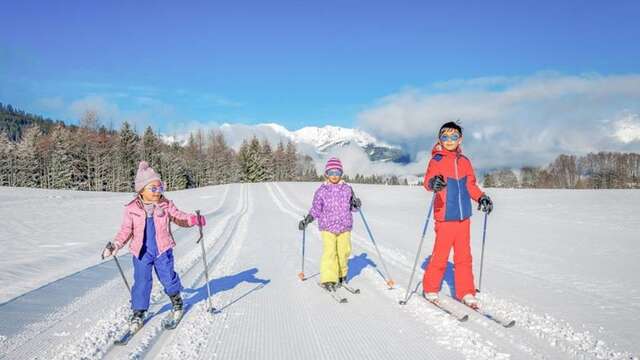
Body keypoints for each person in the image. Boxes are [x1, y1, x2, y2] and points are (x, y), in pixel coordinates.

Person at [101, 161, 206, 330]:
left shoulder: (165, 204)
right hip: (141, 252)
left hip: (162, 249)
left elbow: (178, 216)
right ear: (142, 190)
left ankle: (177, 302)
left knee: (167, 277)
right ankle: (139, 312)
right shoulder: (132, 208)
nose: (158, 192)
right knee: (141, 281)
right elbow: (126, 230)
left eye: (160, 187)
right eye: (154, 188)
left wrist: (193, 219)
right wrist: (116, 245)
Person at [422, 122, 493, 308]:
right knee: (441, 255)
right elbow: (428, 181)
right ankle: (430, 287)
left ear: (460, 139)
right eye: (445, 137)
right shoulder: (436, 160)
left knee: (464, 256)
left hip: (463, 218)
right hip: (445, 216)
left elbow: (471, 185)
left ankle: (466, 292)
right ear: (440, 139)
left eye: (453, 137)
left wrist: (481, 198)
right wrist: (433, 183)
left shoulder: (465, 162)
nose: (449, 140)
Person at [298, 157, 362, 291]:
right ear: (326, 174)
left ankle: (341, 275)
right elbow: (316, 209)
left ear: (341, 173)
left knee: (344, 252)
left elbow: (353, 208)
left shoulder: (347, 189)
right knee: (330, 252)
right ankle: (328, 278)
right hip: (327, 227)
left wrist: (356, 204)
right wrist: (308, 219)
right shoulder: (322, 191)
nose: (334, 176)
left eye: (337, 172)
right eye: (331, 172)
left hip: (345, 226)